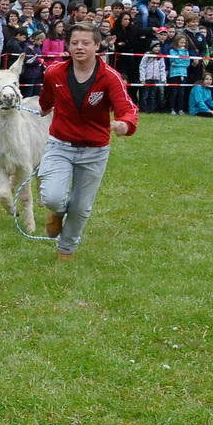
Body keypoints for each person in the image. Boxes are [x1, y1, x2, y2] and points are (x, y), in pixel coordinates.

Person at [38, 22, 138, 261]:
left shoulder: (110, 77)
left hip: (95, 150)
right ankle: (57, 212)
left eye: (85, 43)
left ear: (97, 45)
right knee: (51, 197)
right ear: (68, 46)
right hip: (60, 145)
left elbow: (127, 108)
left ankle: (66, 250)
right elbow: (46, 99)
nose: (79, 47)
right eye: (74, 43)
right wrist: (42, 109)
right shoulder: (54, 73)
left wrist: (125, 124)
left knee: (81, 208)